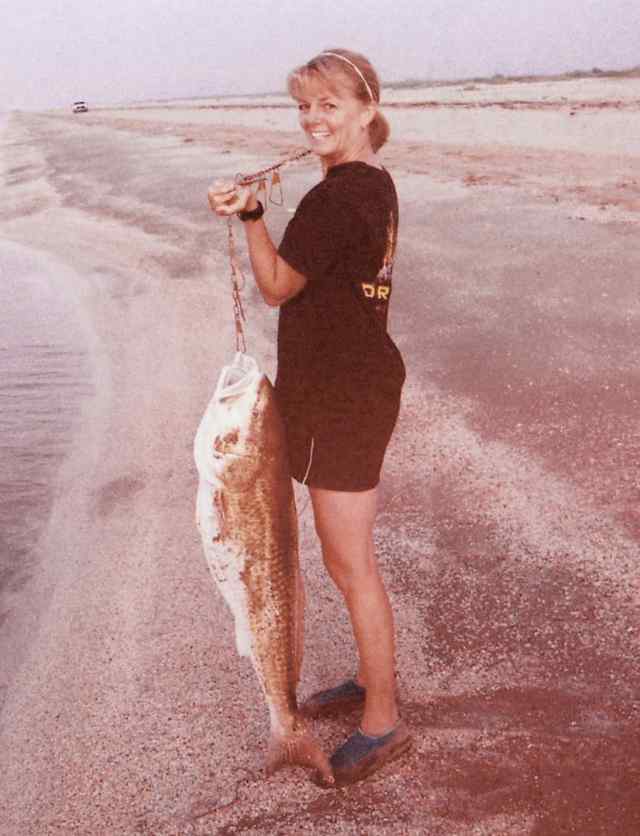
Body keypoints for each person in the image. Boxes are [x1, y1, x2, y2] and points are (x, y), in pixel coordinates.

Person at [208, 48, 410, 786]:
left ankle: (382, 722)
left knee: (350, 563)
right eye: (304, 106)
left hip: (342, 398)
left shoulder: (336, 199)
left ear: (367, 109)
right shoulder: (370, 185)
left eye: (330, 104)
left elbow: (275, 287)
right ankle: (369, 677)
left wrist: (254, 214)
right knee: (342, 557)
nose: (314, 118)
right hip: (353, 386)